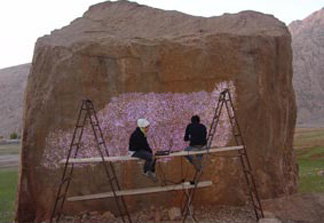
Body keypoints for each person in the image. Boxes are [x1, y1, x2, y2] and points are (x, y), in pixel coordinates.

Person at [129, 118, 158, 182]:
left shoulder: (142, 133)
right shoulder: (138, 134)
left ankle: (151, 170)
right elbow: (143, 145)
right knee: (149, 156)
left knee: (153, 156)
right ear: (142, 127)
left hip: (140, 150)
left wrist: (150, 151)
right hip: (135, 151)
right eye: (146, 127)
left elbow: (145, 145)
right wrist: (149, 151)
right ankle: (146, 171)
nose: (148, 129)